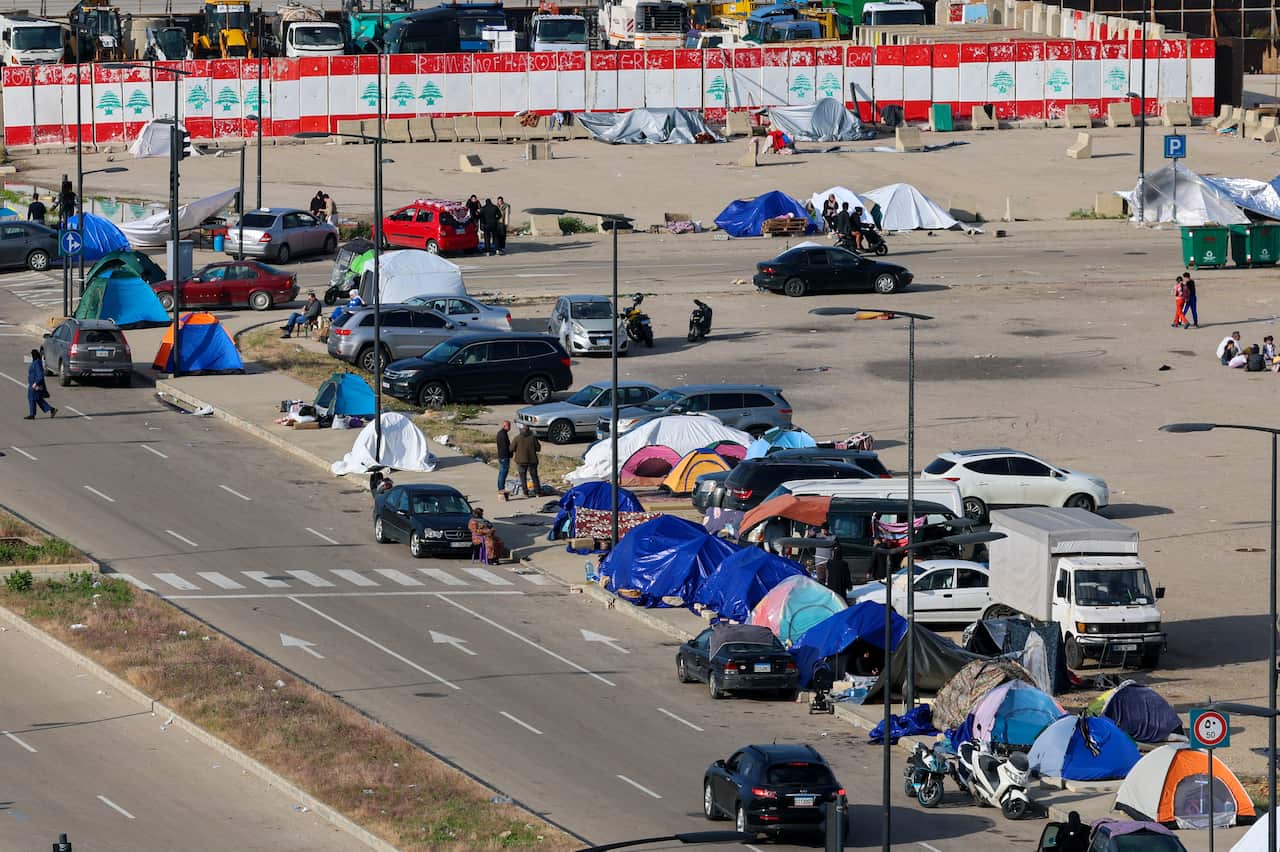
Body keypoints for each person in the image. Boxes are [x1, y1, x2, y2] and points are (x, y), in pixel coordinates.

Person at [511, 423, 542, 498]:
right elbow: (538, 448)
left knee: (523, 477)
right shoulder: (533, 438)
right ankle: (537, 492)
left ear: (521, 430)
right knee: (534, 477)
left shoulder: (517, 438)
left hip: (521, 461)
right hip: (532, 460)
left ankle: (526, 493)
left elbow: (511, 448)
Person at [24, 349, 55, 420]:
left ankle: (32, 414)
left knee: (32, 398)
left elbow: (40, 375)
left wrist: (36, 383)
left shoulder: (36, 363)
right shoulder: (36, 362)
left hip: (35, 385)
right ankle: (51, 409)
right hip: (33, 384)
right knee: (37, 399)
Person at [495, 420, 512, 499]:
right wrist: (510, 453)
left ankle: (500, 487)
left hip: (501, 456)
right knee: (503, 473)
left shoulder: (501, 433)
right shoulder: (503, 434)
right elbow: (505, 447)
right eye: (509, 426)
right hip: (504, 456)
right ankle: (501, 488)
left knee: (501, 472)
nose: (510, 428)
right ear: (505, 426)